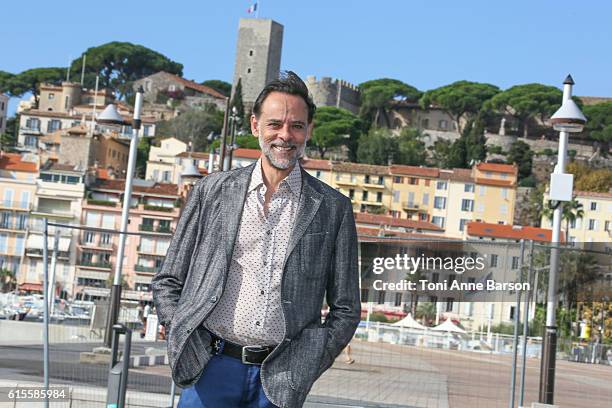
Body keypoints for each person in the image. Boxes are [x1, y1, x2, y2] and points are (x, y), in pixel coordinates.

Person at [152, 71, 361, 408]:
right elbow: (168, 279)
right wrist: (181, 332)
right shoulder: (212, 192)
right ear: (255, 126)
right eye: (275, 124)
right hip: (210, 366)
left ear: (309, 130)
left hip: (279, 379)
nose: (285, 135)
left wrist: (309, 362)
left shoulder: (333, 209)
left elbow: (347, 308)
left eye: (296, 126)